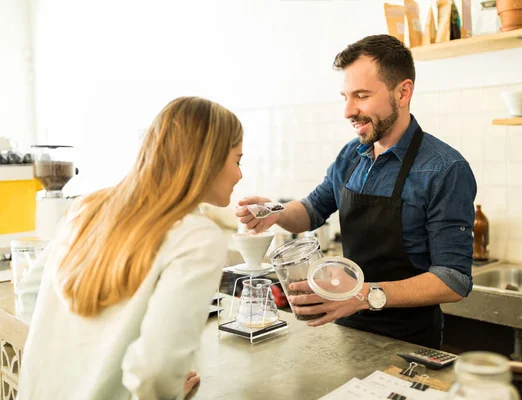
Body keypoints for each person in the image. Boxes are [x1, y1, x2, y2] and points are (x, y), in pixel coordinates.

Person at [236, 35, 476, 349]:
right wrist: (274, 213)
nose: (348, 110)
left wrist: (361, 296)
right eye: (346, 96)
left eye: (361, 96)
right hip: (348, 332)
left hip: (411, 344)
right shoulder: (353, 155)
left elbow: (453, 281)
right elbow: (312, 210)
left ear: (403, 92)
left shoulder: (444, 169)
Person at [17, 96, 244, 399]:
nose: (240, 175)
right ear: (208, 159)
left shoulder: (88, 207)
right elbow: (156, 371)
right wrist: (168, 389)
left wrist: (82, 364)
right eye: (237, 160)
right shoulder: (199, 237)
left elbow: (29, 293)